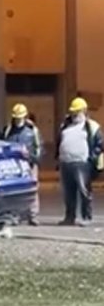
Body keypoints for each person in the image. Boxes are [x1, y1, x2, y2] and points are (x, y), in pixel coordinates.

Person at [55, 97, 103, 226]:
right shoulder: (65, 125)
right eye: (73, 111)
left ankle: (86, 217)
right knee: (68, 193)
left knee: (84, 191)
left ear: (84, 111)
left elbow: (99, 144)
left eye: (77, 111)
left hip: (82, 163)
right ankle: (69, 217)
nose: (74, 114)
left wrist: (91, 158)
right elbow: (59, 141)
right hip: (66, 163)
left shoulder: (91, 126)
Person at [0, 103, 42, 225]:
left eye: (20, 117)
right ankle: (15, 215)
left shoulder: (32, 131)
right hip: (13, 165)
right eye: (16, 117)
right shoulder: (7, 130)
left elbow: (39, 147)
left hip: (29, 164)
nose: (18, 120)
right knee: (15, 190)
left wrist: (34, 160)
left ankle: (33, 216)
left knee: (32, 190)